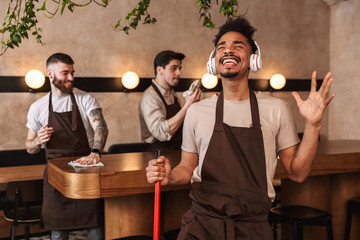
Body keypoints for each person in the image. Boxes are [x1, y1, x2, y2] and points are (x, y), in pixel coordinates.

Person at [146, 16, 335, 239]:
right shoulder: (197, 111)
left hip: (252, 227)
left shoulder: (277, 109)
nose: (228, 50)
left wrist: (313, 124)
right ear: (213, 61)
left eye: (238, 45)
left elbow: (298, 172)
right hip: (201, 224)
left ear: (254, 59)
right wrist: (169, 176)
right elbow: (187, 168)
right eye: (221, 47)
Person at [25, 53, 109, 240]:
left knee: (95, 228)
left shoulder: (85, 99)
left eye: (72, 72)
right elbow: (29, 146)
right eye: (65, 73)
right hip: (56, 178)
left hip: (86, 172)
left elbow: (101, 128)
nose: (71, 77)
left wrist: (95, 152)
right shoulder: (37, 107)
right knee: (58, 232)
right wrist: (38, 140)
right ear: (50, 74)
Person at [139, 50, 201, 151]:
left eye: (179, 68)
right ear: (159, 70)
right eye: (174, 68)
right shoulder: (150, 97)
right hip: (158, 153)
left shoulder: (172, 94)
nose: (179, 73)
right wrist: (188, 105)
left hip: (177, 148)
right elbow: (161, 133)